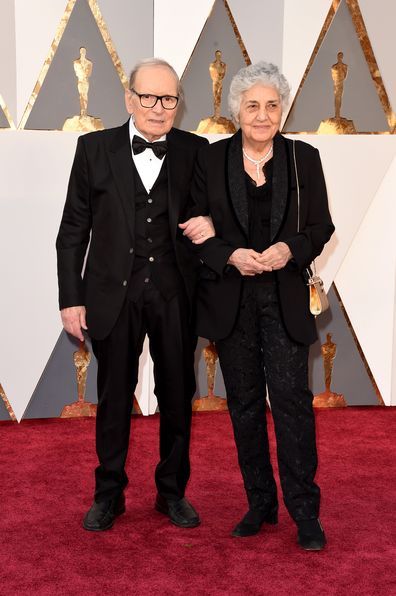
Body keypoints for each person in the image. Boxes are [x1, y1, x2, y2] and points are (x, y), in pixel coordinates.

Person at [180, 62, 335, 550]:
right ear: (236, 111)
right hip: (232, 300)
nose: (263, 115)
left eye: (272, 105)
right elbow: (193, 219)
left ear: (282, 110)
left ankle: (305, 513)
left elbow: (321, 226)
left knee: (292, 407)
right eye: (252, 106)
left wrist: (291, 249)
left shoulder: (302, 158)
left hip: (285, 299)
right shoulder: (212, 158)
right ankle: (260, 503)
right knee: (244, 407)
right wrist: (230, 255)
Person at [56, 58, 209, 532]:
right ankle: (108, 495)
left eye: (168, 99)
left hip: (175, 294)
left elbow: (212, 214)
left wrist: (213, 222)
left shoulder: (196, 150)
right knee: (114, 397)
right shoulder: (93, 149)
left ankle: (171, 493)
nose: (159, 109)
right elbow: (72, 231)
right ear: (129, 98)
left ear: (178, 104)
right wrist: (70, 298)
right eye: (149, 97)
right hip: (110, 295)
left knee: (178, 397)